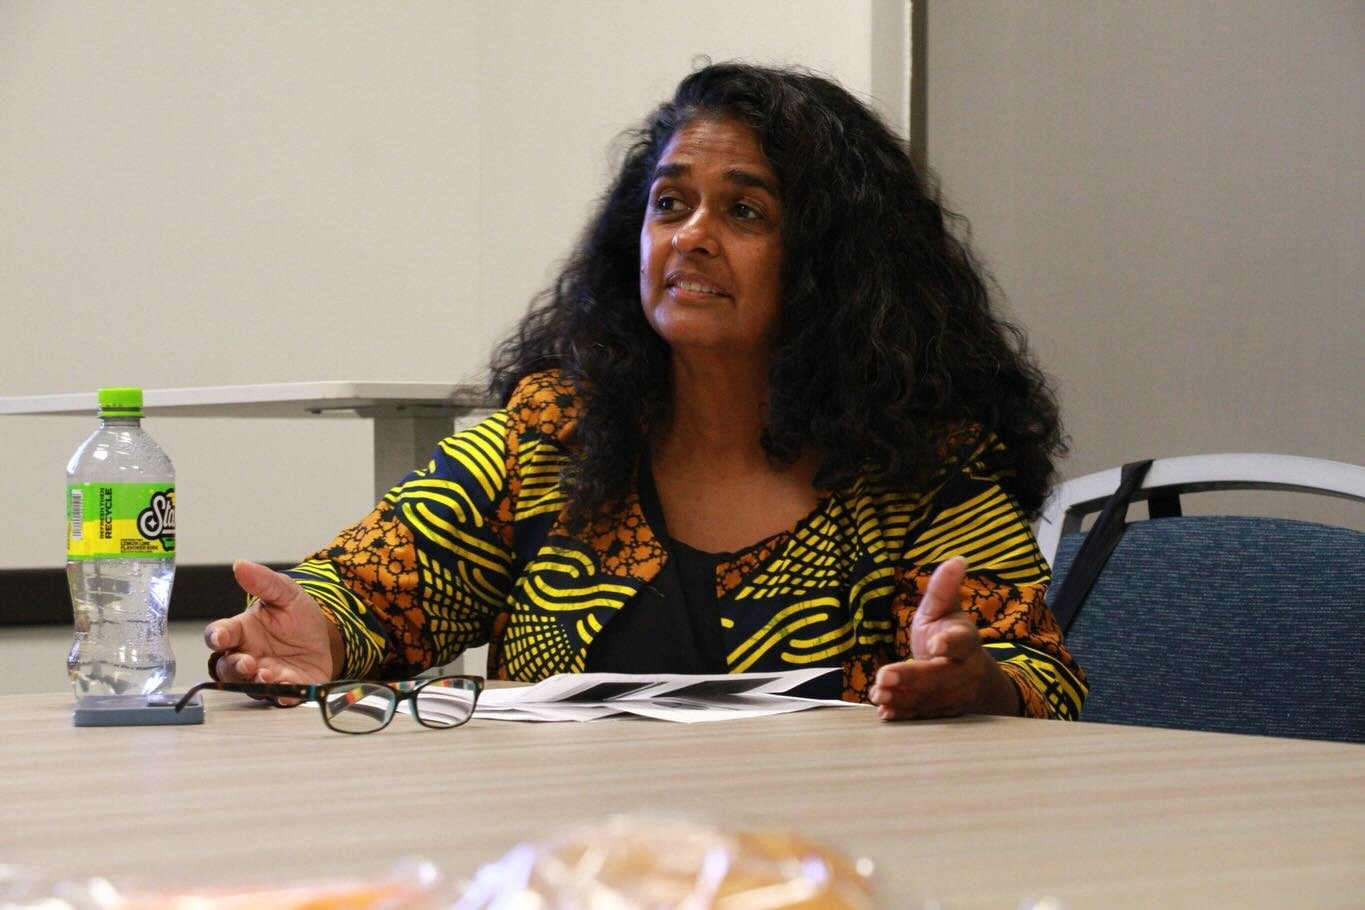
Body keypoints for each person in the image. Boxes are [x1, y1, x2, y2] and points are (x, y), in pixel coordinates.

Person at [205, 62, 1086, 721]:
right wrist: (316, 631)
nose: (691, 237)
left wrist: (980, 684)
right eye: (670, 205)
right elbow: (374, 590)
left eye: (744, 212)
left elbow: (1039, 675)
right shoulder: (545, 443)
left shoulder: (919, 473)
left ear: (833, 264)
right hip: (575, 867)